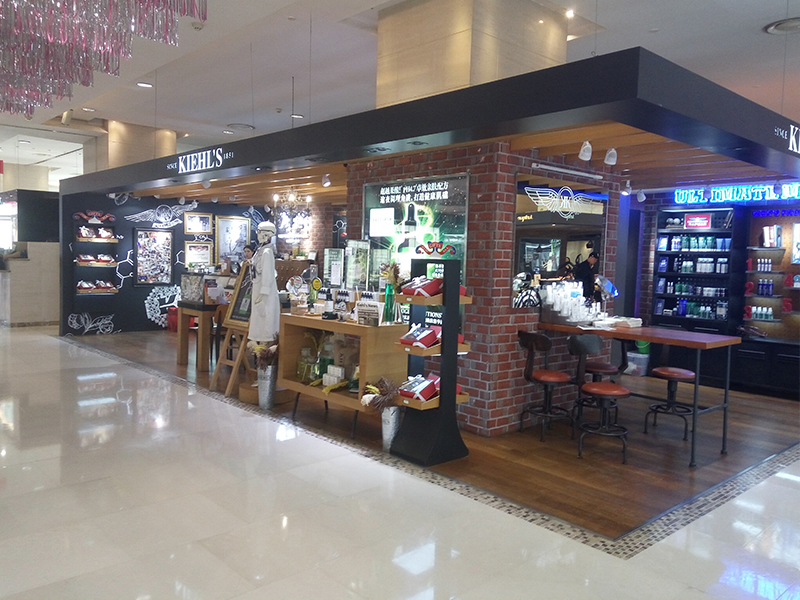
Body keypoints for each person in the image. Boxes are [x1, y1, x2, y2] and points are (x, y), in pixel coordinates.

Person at [248, 222, 280, 344]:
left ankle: (264, 351)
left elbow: (268, 276)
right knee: (258, 325)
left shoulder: (267, 253)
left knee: (265, 325)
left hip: (264, 296)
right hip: (258, 290)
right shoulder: (260, 251)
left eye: (259, 232)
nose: (257, 235)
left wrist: (263, 295)